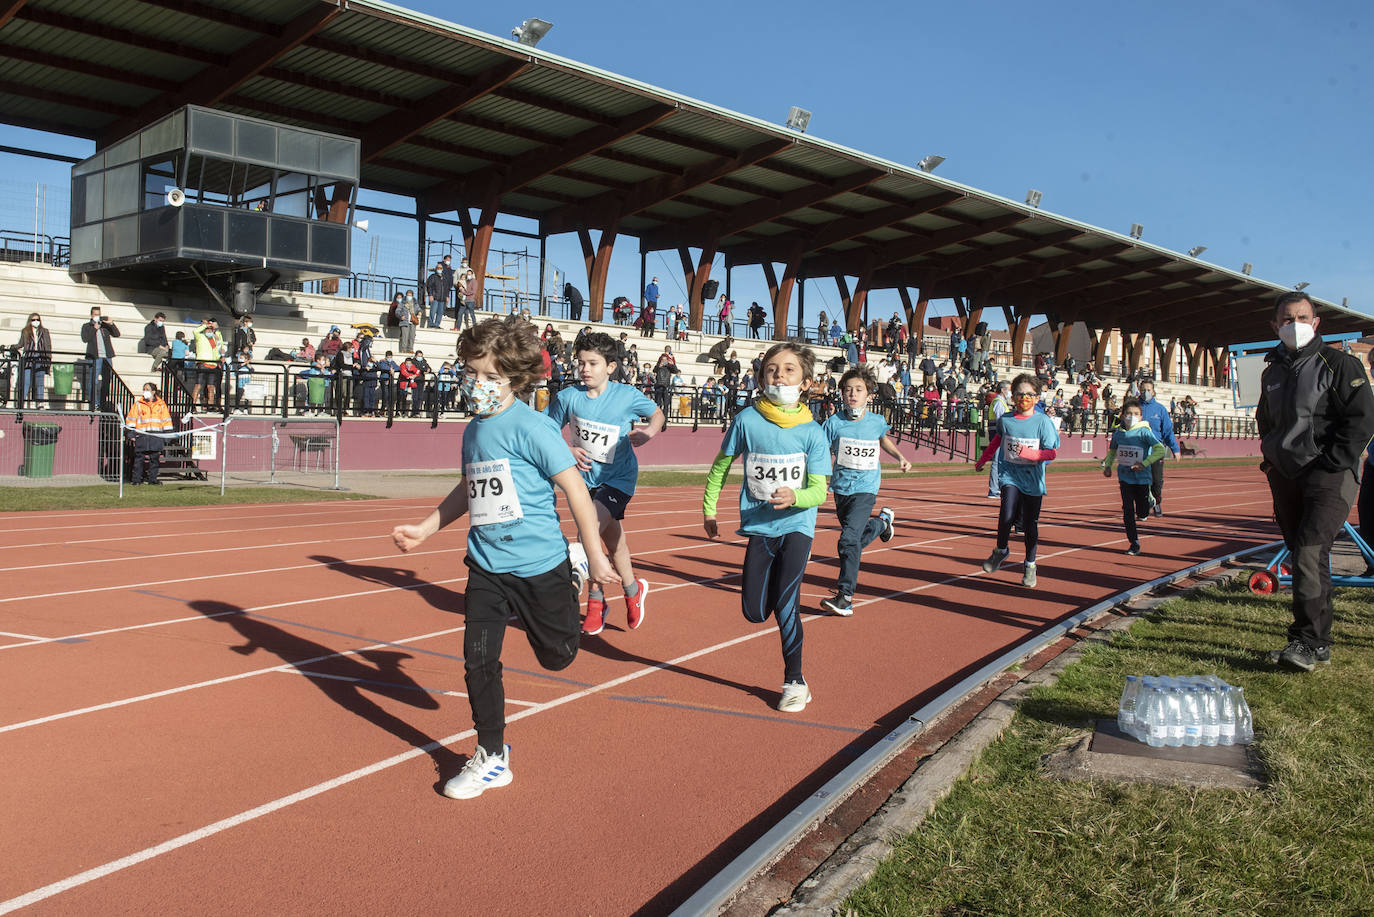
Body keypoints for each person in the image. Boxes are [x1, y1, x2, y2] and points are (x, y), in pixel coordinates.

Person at [391, 316, 614, 800]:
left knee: (559, 657)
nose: (478, 385)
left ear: (515, 379)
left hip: (540, 564)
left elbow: (576, 491)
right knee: (478, 660)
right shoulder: (473, 430)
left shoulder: (534, 428)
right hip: (486, 565)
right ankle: (492, 755)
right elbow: (470, 488)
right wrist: (427, 528)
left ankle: (571, 573)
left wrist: (594, 557)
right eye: (472, 374)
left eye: (491, 378)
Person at [702, 341, 832, 712]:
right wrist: (709, 511)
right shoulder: (746, 420)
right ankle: (791, 669)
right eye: (772, 369)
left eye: (789, 369)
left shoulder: (813, 432)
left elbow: (820, 490)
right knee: (755, 610)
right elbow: (721, 467)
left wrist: (797, 497)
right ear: (761, 377)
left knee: (786, 603)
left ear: (806, 382)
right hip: (759, 527)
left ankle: (794, 680)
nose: (779, 375)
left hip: (797, 525)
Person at [1257, 291, 1374, 671]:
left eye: (1302, 317)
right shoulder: (1271, 371)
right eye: (1287, 319)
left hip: (1330, 473)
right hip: (1286, 474)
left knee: (1308, 550)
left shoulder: (1340, 364)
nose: (1295, 325)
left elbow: (1361, 419)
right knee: (1306, 554)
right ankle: (1317, 642)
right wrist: (1273, 462)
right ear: (1275, 325)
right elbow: (1266, 421)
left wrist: (1334, 462)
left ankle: (1306, 641)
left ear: (1316, 322)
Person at [547, 331, 665, 635]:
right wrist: (567, 449)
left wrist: (649, 433)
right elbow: (546, 432)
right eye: (581, 363)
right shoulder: (568, 397)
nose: (585, 369)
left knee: (589, 529)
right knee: (613, 541)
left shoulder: (626, 396)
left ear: (610, 366)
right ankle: (632, 589)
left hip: (618, 479)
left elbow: (657, 415)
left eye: (593, 363)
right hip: (583, 480)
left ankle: (596, 601)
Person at [818, 366, 911, 616]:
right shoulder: (833, 423)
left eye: (858, 389)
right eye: (847, 390)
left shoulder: (877, 421)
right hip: (841, 488)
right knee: (853, 541)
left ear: (869, 395)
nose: (852, 394)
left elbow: (883, 439)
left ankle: (845, 597)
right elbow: (820, 450)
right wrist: (819, 480)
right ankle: (881, 524)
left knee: (847, 540)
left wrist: (900, 457)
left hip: (866, 488)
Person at [974, 373, 1060, 588]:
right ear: (1013, 397)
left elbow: (1051, 453)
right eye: (1019, 394)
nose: (1023, 398)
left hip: (1032, 480)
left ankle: (1030, 564)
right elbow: (997, 441)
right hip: (1010, 476)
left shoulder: (1043, 422)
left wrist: (1030, 454)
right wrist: (983, 459)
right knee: (1006, 513)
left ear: (1037, 398)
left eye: (1029, 395)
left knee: (1030, 524)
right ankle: (1001, 550)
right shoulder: (1006, 420)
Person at [1102, 397, 1166, 555]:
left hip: (1143, 479)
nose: (1132, 416)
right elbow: (1112, 452)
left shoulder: (1145, 432)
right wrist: (1108, 466)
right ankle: (1134, 543)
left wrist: (1144, 463)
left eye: (1136, 413)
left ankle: (1149, 501)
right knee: (1127, 511)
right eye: (1129, 413)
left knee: (1142, 512)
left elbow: (1159, 450)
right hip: (1125, 478)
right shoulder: (1119, 434)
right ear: (1122, 415)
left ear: (1141, 416)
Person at [1135, 380, 1179, 515]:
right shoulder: (1134, 407)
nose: (1145, 392)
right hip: (1139, 449)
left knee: (1156, 480)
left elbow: (1167, 431)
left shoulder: (1160, 409)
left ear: (1153, 392)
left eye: (1148, 389)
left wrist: (1175, 449)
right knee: (1138, 481)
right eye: (1143, 390)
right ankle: (1143, 505)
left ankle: (1157, 501)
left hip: (1156, 449)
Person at [125, 382, 172, 485]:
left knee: (154, 459)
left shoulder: (161, 404)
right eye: (144, 389)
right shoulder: (138, 404)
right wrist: (131, 434)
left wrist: (167, 435)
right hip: (142, 435)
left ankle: (152, 480)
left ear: (153, 392)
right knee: (139, 460)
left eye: (147, 389)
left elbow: (166, 420)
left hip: (156, 435)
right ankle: (136, 480)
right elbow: (131, 420)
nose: (145, 391)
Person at [79, 306, 120, 411]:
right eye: (95, 314)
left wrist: (111, 323)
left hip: (107, 357)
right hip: (95, 356)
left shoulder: (105, 326)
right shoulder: (87, 326)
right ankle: (94, 403)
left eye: (99, 314)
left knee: (107, 380)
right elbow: (85, 338)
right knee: (94, 380)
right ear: (92, 315)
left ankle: (103, 402)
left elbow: (117, 334)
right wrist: (94, 328)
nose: (97, 316)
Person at [17, 312, 51, 409]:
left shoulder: (44, 331)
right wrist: (12, 347)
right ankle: (21, 402)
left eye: (38, 320)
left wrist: (48, 359)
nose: (36, 322)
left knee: (40, 381)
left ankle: (40, 403)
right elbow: (21, 344)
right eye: (33, 320)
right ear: (30, 321)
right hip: (29, 357)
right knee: (26, 380)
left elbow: (48, 345)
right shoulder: (25, 331)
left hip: (40, 358)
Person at [189, 316, 222, 411]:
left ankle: (210, 405)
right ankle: (193, 404)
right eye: (208, 329)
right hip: (202, 363)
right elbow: (195, 331)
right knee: (198, 385)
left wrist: (217, 361)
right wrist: (205, 325)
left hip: (212, 364)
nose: (209, 331)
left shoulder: (214, 340)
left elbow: (216, 351)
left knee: (211, 386)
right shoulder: (200, 336)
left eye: (211, 330)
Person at [985, 380, 1011, 498]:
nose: (1010, 392)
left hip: (1000, 434)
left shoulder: (1002, 402)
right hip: (998, 434)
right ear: (1003, 390)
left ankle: (999, 487)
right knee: (997, 461)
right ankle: (994, 489)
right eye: (1009, 389)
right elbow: (1001, 419)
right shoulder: (999, 402)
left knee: (1001, 461)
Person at [424, 262, 447, 329]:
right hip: (435, 297)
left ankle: (437, 324)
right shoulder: (433, 277)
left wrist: (447, 296)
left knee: (440, 312)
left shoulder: (444, 278)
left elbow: (446, 288)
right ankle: (431, 323)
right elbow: (429, 286)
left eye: (440, 268)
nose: (439, 269)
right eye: (438, 268)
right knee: (433, 311)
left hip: (442, 298)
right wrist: (430, 295)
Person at [456, 262, 478, 330]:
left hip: (470, 301)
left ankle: (475, 327)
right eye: (467, 274)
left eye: (469, 274)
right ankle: (457, 327)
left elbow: (473, 291)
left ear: (472, 275)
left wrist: (464, 292)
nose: (468, 275)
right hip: (464, 301)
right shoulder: (465, 281)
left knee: (472, 315)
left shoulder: (474, 281)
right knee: (460, 314)